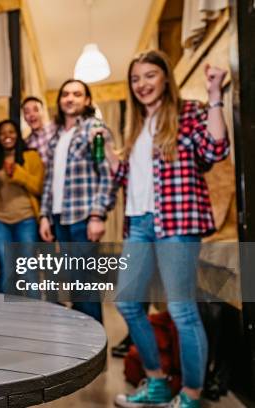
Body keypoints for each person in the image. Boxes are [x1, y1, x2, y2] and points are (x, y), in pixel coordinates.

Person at [112, 51, 229, 408]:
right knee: (128, 302)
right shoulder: (134, 127)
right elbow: (126, 178)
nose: (142, 84)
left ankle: (191, 396)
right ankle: (158, 383)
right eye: (136, 79)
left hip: (177, 222)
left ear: (165, 78)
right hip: (139, 223)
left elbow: (215, 148)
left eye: (150, 75)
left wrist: (214, 97)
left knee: (181, 311)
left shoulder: (188, 112)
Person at [38, 79, 114, 323]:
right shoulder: (57, 136)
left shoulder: (95, 128)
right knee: (73, 283)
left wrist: (97, 214)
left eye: (77, 94)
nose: (70, 98)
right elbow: (50, 179)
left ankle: (94, 351)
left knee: (86, 286)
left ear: (87, 100)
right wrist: (44, 216)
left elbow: (108, 174)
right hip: (60, 218)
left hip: (83, 217)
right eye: (66, 94)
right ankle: (82, 345)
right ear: (59, 101)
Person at [0, 120, 44, 292]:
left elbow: (39, 187)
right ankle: (8, 318)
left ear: (18, 135)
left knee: (29, 270)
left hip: (26, 219)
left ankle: (34, 314)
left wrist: (17, 173)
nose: (7, 136)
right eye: (2, 133)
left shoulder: (31, 156)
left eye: (11, 132)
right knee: (7, 270)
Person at [21, 96, 56, 166]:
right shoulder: (26, 144)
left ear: (43, 112)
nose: (31, 115)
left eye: (36, 110)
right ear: (24, 118)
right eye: (27, 112)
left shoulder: (56, 128)